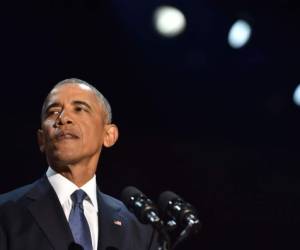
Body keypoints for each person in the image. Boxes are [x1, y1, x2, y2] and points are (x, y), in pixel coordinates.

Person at [0, 78, 158, 250]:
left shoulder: (138, 227)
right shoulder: (5, 213)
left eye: (79, 109)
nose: (63, 118)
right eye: (53, 112)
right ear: (41, 140)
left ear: (109, 135)